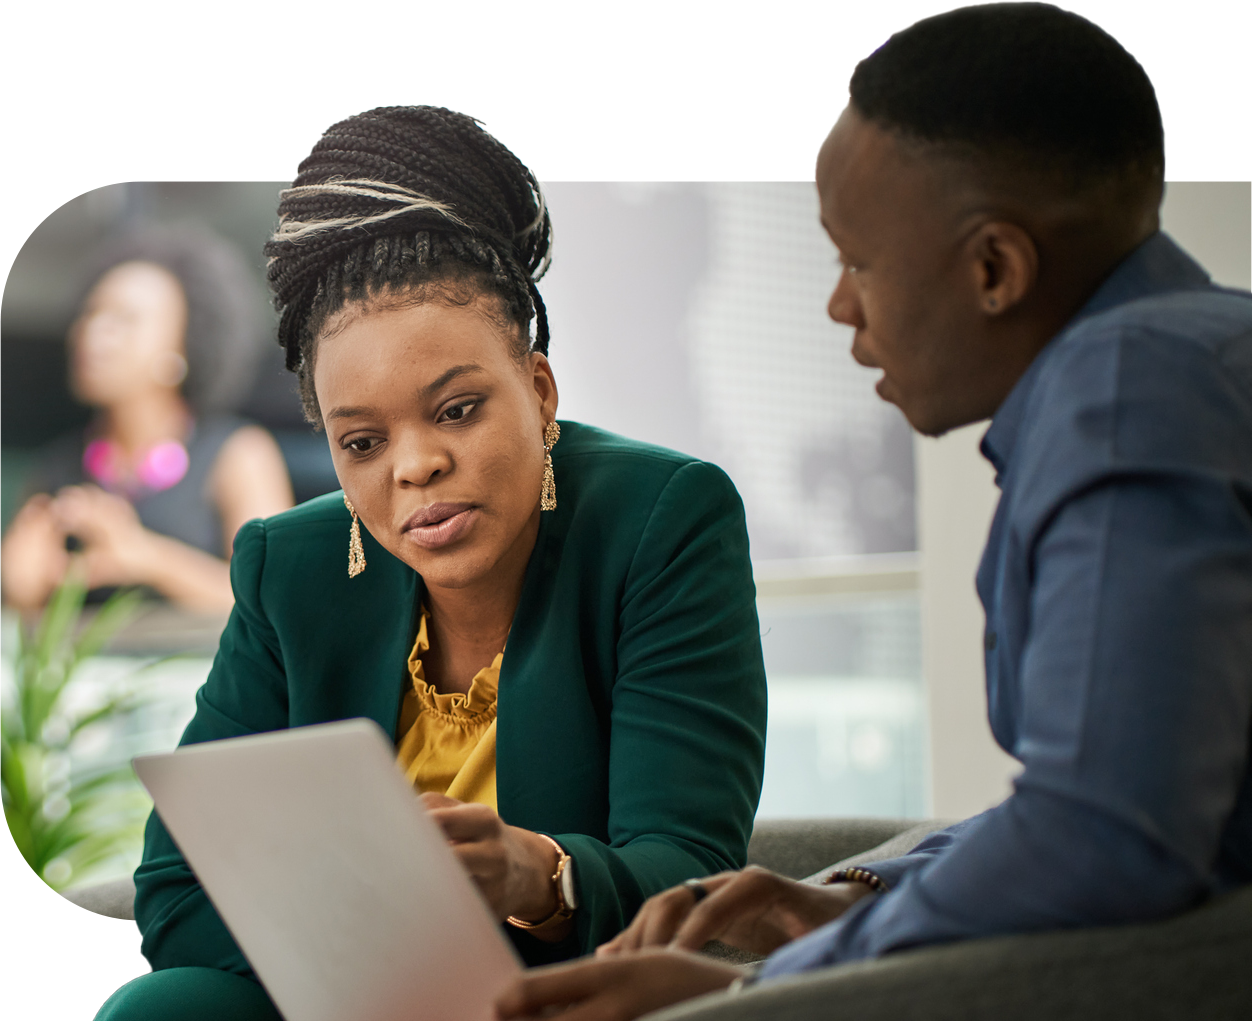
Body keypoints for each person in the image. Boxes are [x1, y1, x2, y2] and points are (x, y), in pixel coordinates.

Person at [494, 4, 1252, 1019]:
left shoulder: (1123, 392)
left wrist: (763, 986)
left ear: (994, 270)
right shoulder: (1196, 355)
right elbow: (1140, 787)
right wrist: (858, 896)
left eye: (856, 260)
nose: (838, 306)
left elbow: (1105, 833)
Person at [95, 106, 768, 1020]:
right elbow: (176, 893)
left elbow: (687, 877)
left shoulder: (660, 518)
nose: (413, 466)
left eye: (455, 410)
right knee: (162, 1006)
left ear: (537, 389)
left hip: (569, 993)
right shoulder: (286, 565)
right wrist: (390, 973)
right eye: (362, 441)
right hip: (353, 1004)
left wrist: (545, 876)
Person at [0, 225, 293, 614]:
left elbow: (280, 601)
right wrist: (22, 591)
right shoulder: (55, 471)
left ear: (183, 348)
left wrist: (146, 557)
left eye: (124, 319)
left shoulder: (238, 454)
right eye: (91, 314)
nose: (93, 333)